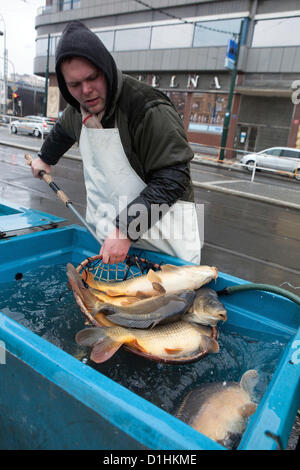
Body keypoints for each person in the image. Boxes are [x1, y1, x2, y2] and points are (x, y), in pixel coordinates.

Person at [31, 21, 201, 265]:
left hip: (168, 246)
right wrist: (45, 158)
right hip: (113, 243)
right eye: (75, 85)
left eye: (93, 78)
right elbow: (62, 131)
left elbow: (173, 177)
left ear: (106, 69)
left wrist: (126, 230)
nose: (87, 90)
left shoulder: (148, 108)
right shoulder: (78, 111)